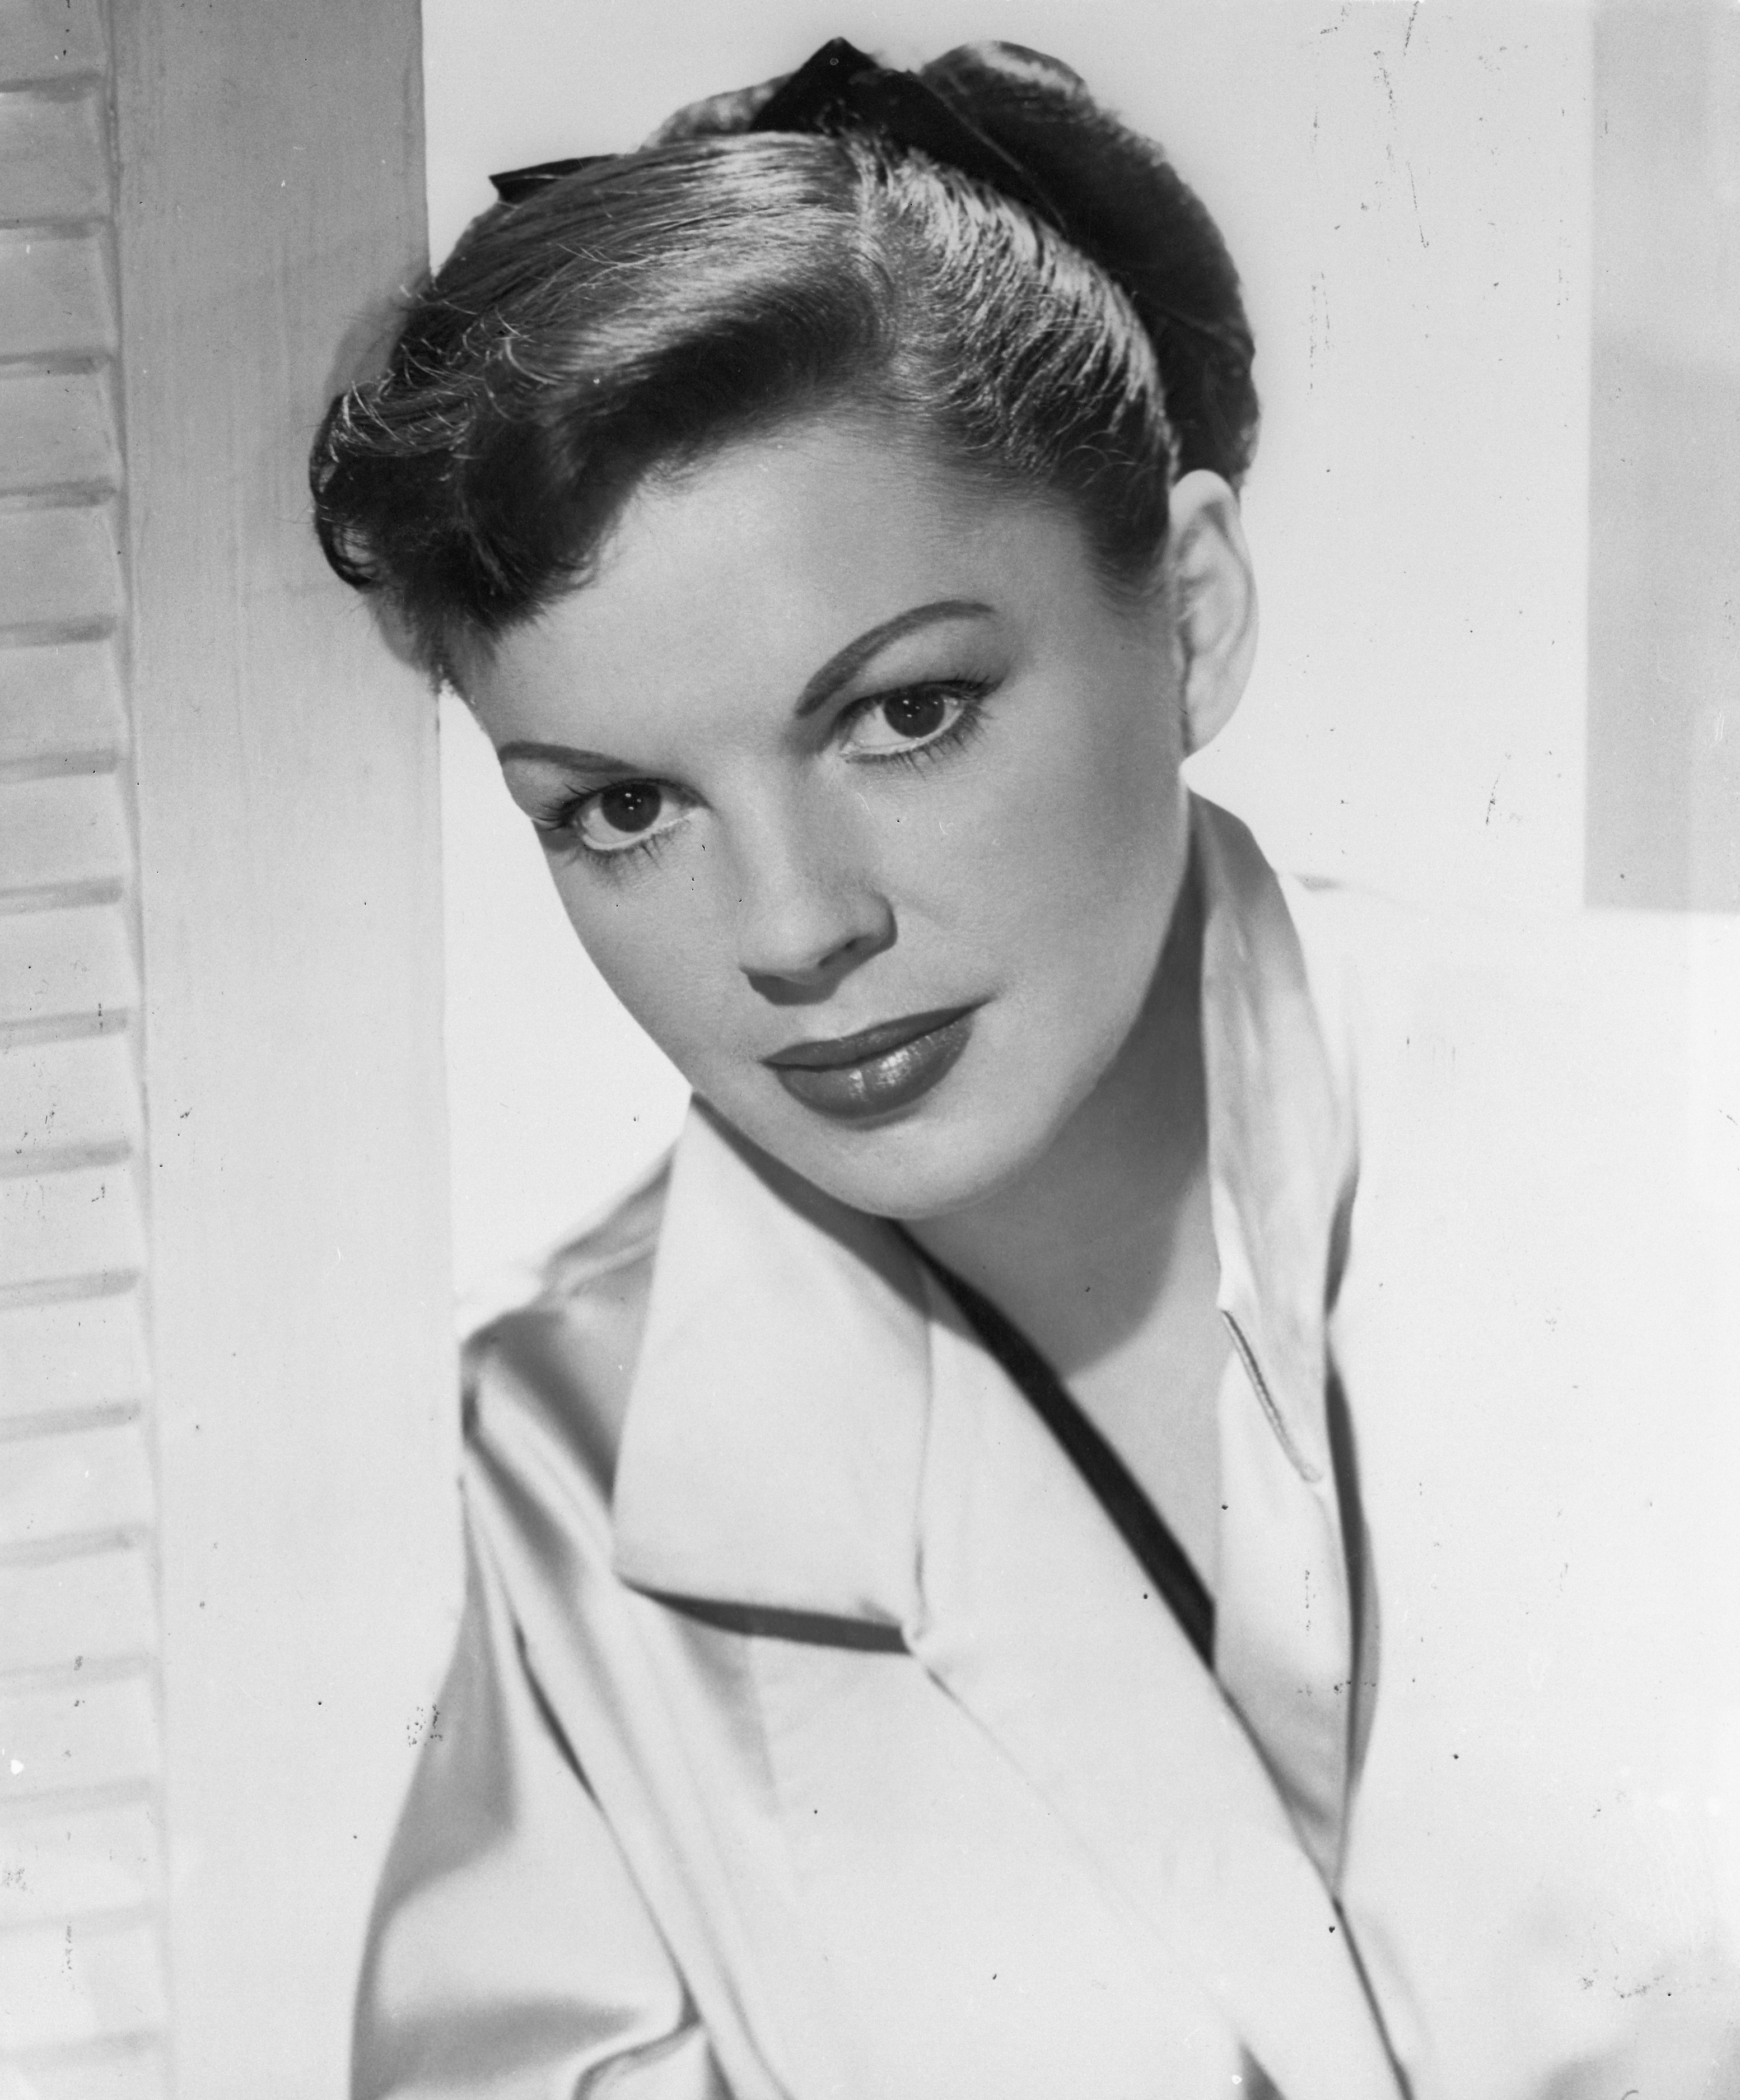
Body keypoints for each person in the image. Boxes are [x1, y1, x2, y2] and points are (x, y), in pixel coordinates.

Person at [310, 38, 1740, 2100]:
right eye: (619, 810)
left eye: (903, 713)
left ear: (1195, 616)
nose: (791, 929)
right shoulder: (571, 1443)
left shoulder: (1684, 1114)